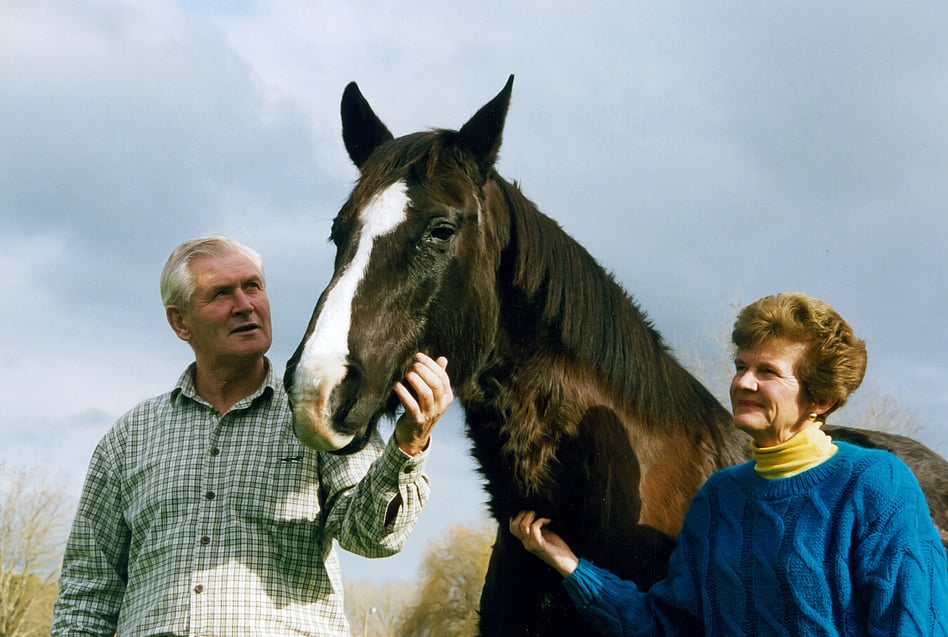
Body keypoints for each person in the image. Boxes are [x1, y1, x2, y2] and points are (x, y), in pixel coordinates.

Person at [51, 235, 454, 636]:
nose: (245, 305)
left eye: (253, 287)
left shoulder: (320, 411)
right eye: (221, 294)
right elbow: (88, 593)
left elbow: (373, 537)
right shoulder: (130, 438)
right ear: (180, 322)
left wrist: (409, 443)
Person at [511, 292, 948, 636]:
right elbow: (665, 625)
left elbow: (914, 626)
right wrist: (570, 566)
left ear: (821, 399)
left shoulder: (876, 484)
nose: (743, 382)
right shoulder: (719, 498)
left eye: (768, 372)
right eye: (741, 366)